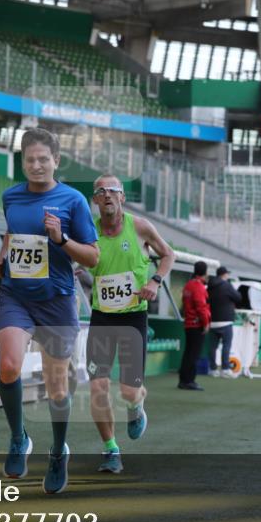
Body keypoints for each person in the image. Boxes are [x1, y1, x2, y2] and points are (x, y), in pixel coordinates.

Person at [0, 128, 99, 494]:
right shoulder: (11, 197)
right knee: (8, 366)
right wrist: (3, 256)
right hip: (16, 295)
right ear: (22, 162)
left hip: (56, 301)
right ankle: (19, 438)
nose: (36, 166)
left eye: (43, 159)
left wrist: (61, 240)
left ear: (56, 161)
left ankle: (57, 451)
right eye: (29, 160)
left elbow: (93, 256)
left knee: (56, 387)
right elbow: (12, 233)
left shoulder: (73, 201)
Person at [85, 174, 174, 474]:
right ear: (95, 200)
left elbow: (168, 254)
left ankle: (137, 405)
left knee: (127, 391)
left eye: (113, 190)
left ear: (122, 197)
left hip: (134, 315)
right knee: (97, 386)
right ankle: (110, 449)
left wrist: (155, 281)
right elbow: (80, 260)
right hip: (102, 317)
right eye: (101, 191)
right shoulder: (89, 231)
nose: (107, 195)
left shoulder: (140, 227)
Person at [178, 261, 210, 391]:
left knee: (188, 353)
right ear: (205, 272)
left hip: (189, 324)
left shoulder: (188, 285)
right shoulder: (198, 287)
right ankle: (189, 381)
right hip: (196, 324)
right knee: (193, 354)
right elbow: (201, 307)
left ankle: (183, 380)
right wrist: (206, 323)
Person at [207, 266, 242, 379]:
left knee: (212, 347)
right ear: (224, 275)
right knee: (226, 346)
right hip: (226, 321)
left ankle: (212, 369)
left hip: (212, 321)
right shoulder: (227, 285)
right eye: (227, 274)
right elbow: (238, 297)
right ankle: (225, 369)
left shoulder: (210, 286)